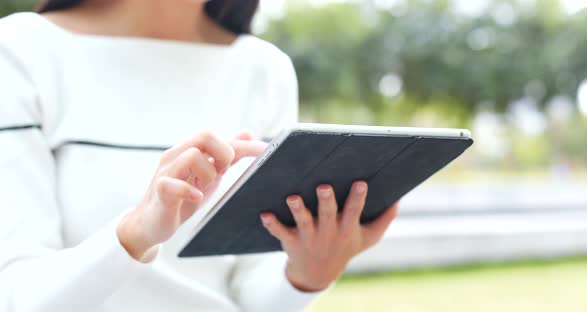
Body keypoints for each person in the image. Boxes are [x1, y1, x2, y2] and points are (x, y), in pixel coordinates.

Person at [0, 0, 400, 311]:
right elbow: (16, 296)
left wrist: (309, 274)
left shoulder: (265, 70)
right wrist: (135, 233)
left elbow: (250, 293)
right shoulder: (20, 50)